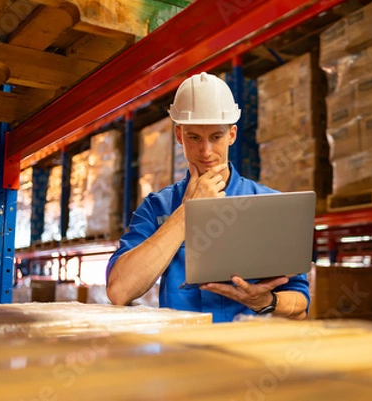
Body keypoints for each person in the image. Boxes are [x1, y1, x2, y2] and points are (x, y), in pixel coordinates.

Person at [106, 72, 310, 322]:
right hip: (181, 353)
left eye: (216, 137)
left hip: (246, 354)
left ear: (232, 135)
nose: (206, 151)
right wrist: (186, 213)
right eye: (194, 137)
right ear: (179, 135)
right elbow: (119, 291)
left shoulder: (271, 205)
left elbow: (300, 305)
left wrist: (266, 302)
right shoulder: (157, 207)